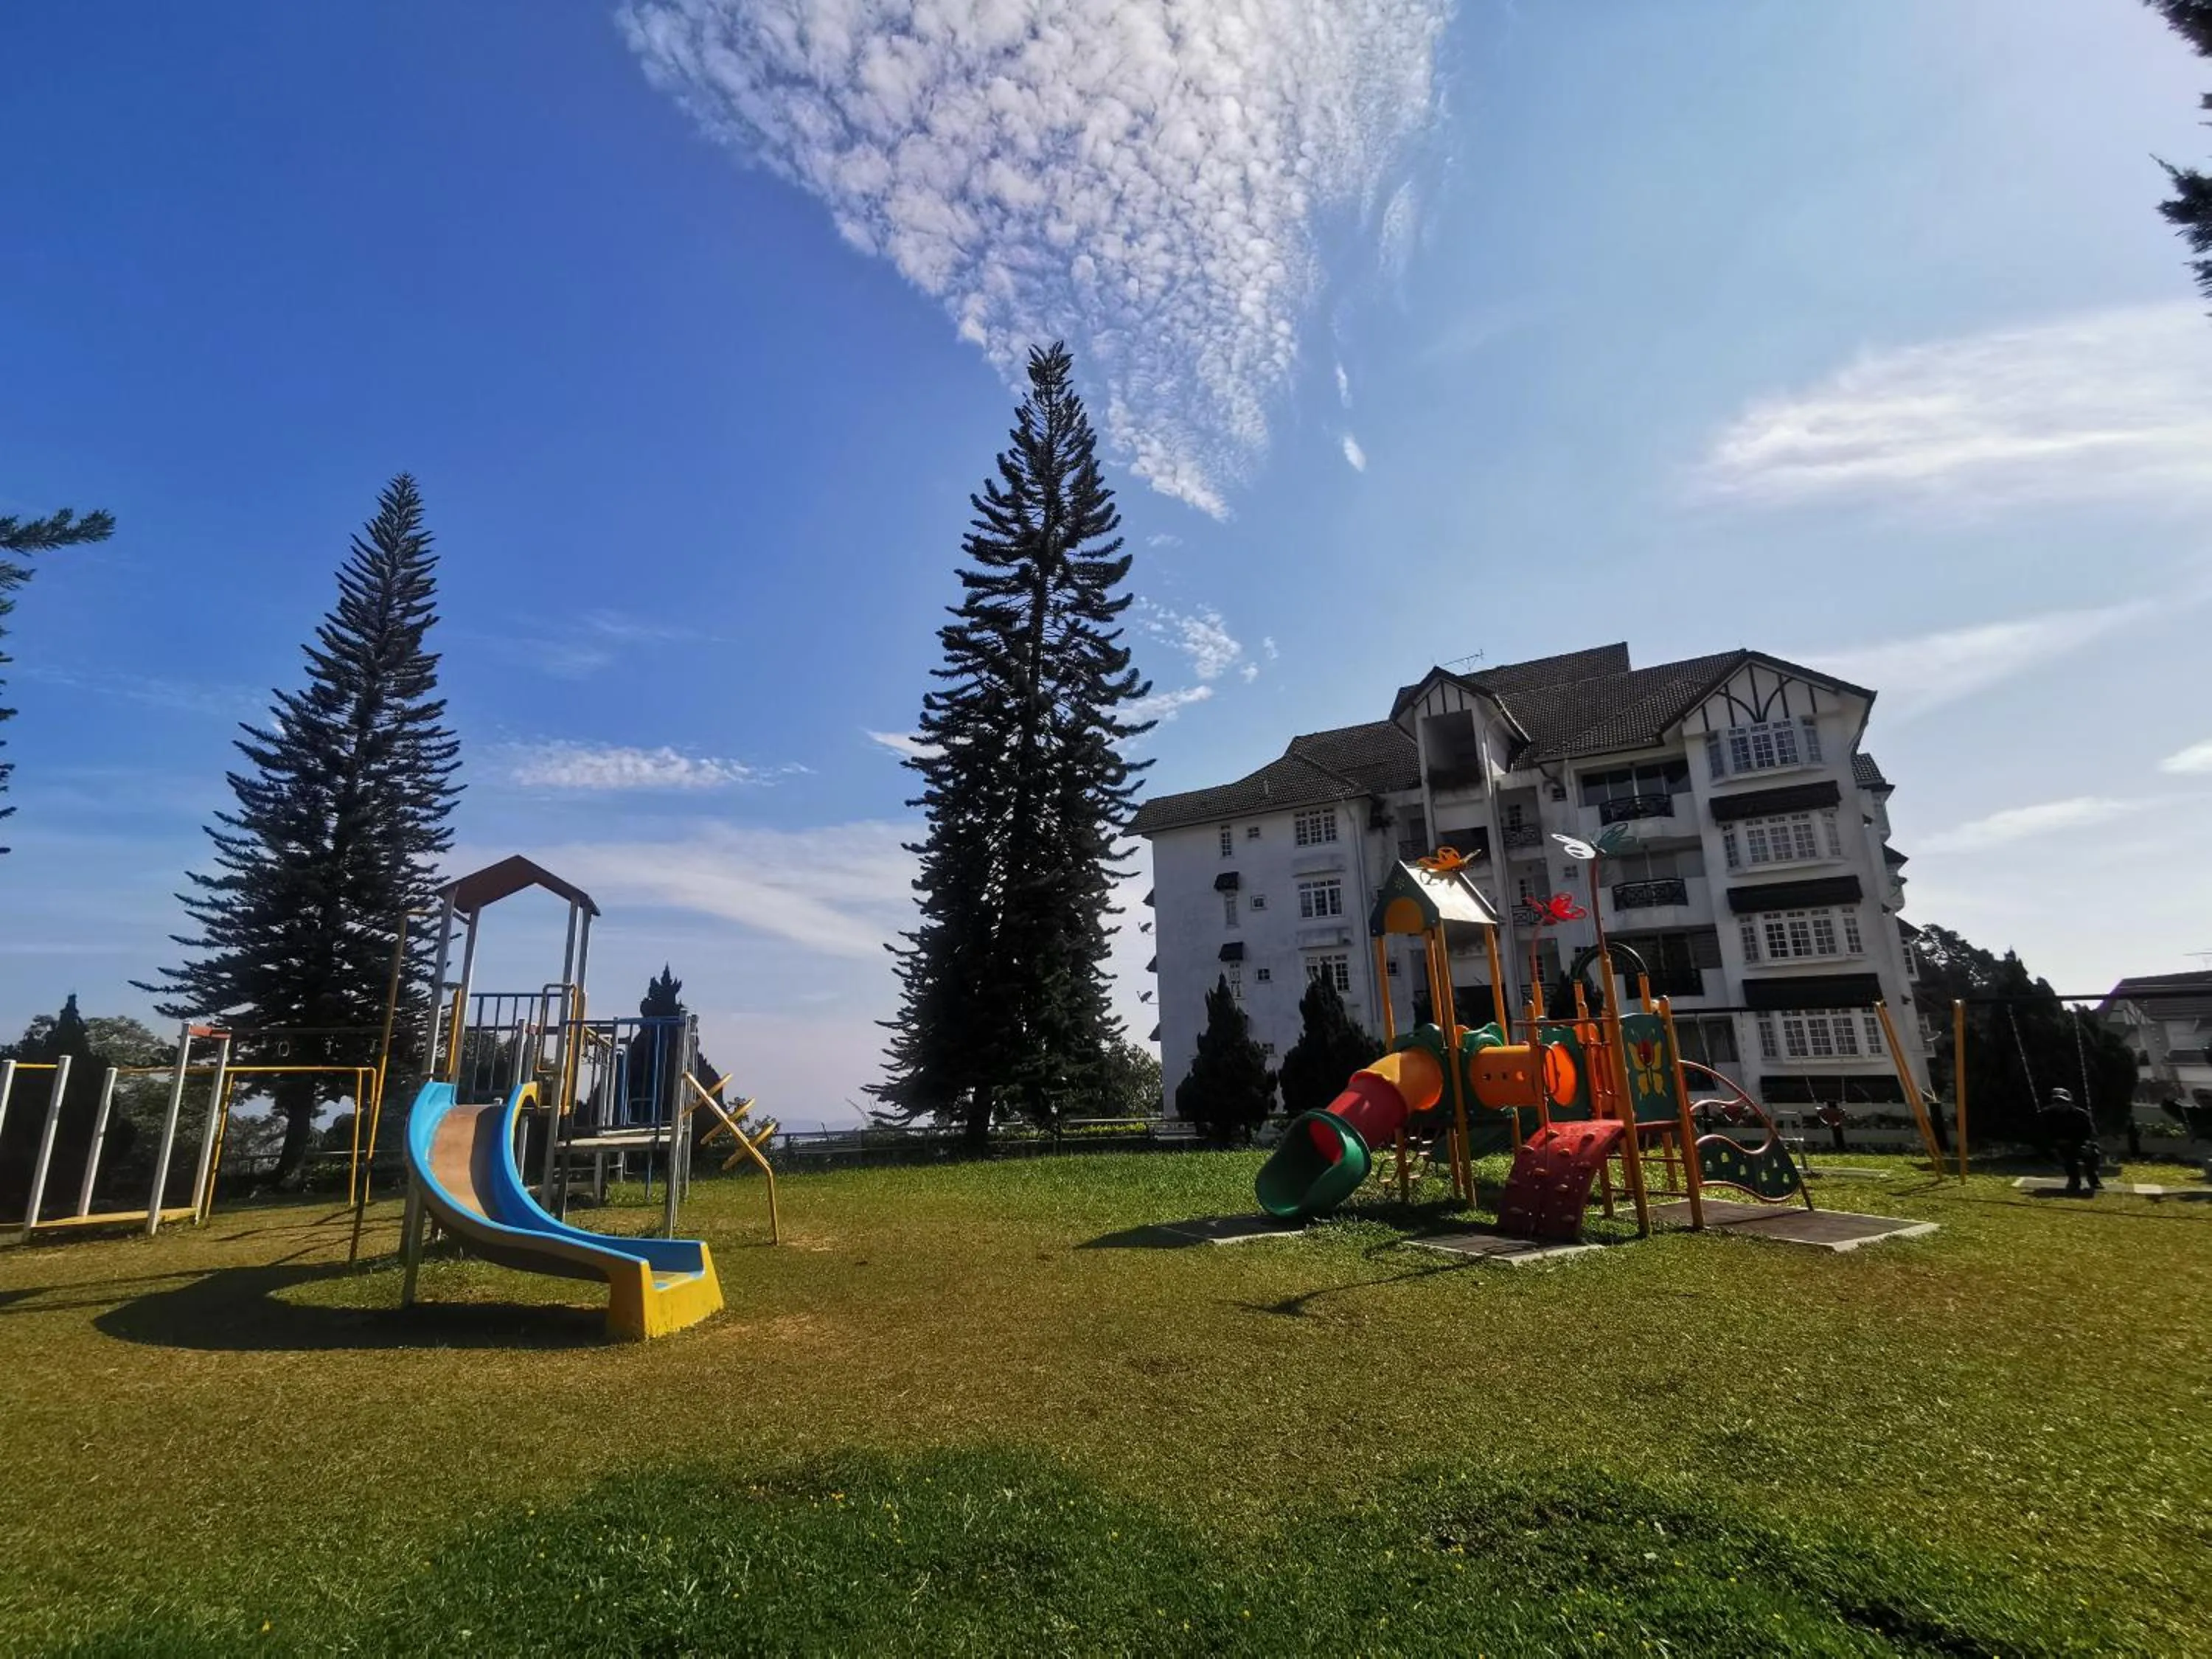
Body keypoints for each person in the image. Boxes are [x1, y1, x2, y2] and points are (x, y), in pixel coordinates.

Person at [2037, 1087, 2101, 1196]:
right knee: (2068, 1155)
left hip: (2079, 1143)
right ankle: (2074, 1181)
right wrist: (2052, 1144)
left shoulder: (2081, 1114)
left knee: (2093, 1153)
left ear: (2070, 1102)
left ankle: (2093, 1178)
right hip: (2058, 1145)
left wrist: (2086, 1144)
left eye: (2064, 1102)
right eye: (2057, 1101)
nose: (2061, 1104)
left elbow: (2090, 1133)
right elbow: (2042, 1134)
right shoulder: (2046, 1114)